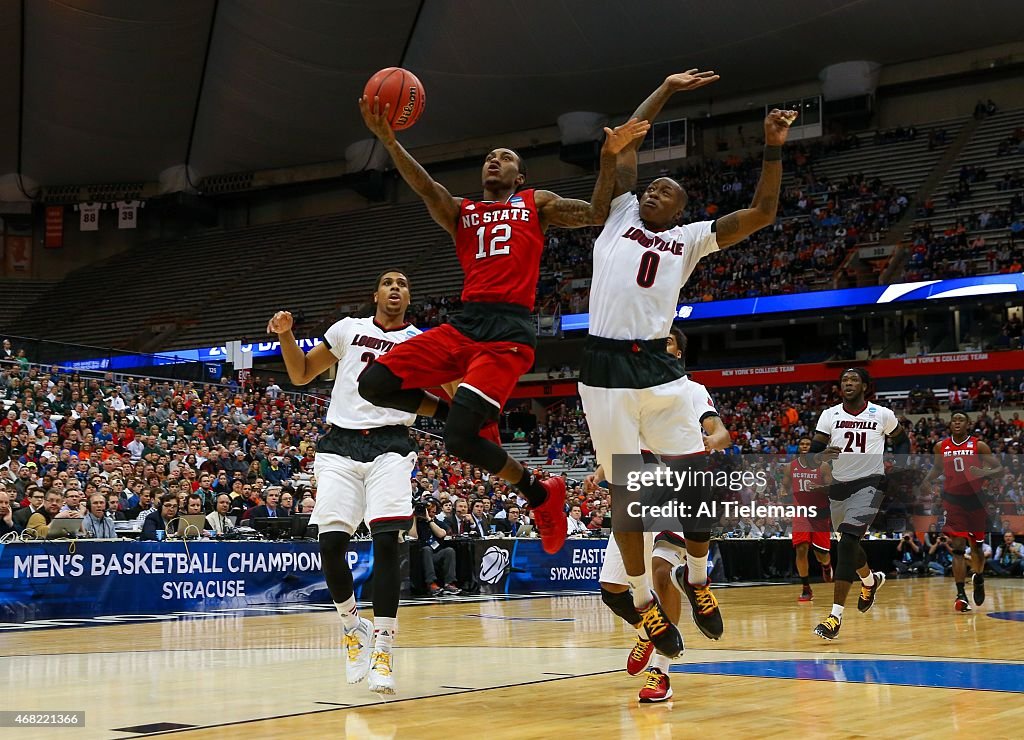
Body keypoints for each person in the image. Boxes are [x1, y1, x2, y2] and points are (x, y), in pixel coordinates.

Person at [356, 93, 650, 557]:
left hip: (507, 334)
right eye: (490, 157)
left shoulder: (538, 202)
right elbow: (426, 186)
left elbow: (595, 213)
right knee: (372, 383)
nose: (495, 160)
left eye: (506, 157)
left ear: (520, 175)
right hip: (463, 324)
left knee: (458, 442)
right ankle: (484, 439)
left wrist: (608, 160)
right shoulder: (462, 211)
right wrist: (390, 143)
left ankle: (538, 492)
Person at [577, 68, 793, 662]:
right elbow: (628, 139)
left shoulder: (694, 237)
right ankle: (646, 601)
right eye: (651, 188)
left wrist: (773, 148)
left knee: (701, 482)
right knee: (626, 492)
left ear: (683, 208)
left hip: (657, 367)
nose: (654, 193)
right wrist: (667, 88)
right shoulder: (619, 213)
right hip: (602, 367)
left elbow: (763, 213)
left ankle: (699, 579)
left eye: (667, 192)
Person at [267, 270, 422, 696]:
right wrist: (286, 335)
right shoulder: (347, 330)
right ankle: (354, 626)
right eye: (388, 282)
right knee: (331, 543)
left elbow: (450, 392)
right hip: (339, 444)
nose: (395, 287)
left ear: (409, 298)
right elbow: (300, 375)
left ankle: (385, 647)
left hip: (392, 443)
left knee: (387, 542)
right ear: (375, 294)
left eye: (403, 284)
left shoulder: (421, 341)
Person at [592, 328, 731, 703]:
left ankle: (661, 673)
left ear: (679, 354)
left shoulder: (691, 389)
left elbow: (718, 430)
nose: (661, 345)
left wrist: (713, 440)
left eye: (668, 341)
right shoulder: (633, 393)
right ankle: (647, 631)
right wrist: (603, 470)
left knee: (659, 571)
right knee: (612, 591)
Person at [809, 368, 910, 640]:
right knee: (849, 543)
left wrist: (899, 466)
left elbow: (902, 440)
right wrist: (820, 456)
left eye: (854, 380)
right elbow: (812, 453)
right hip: (840, 485)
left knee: (847, 543)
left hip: (871, 484)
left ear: (865, 386)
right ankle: (870, 580)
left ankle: (834, 617)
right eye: (844, 380)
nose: (849, 384)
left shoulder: (882, 414)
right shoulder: (829, 415)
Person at [920, 412, 1002, 611]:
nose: (956, 423)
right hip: (953, 501)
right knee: (957, 548)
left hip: (975, 501)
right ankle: (960, 595)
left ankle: (979, 577)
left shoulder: (979, 445)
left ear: (968, 424)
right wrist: (927, 480)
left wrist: (984, 473)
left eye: (961, 420)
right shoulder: (941, 446)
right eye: (954, 420)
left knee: (976, 548)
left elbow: (999, 469)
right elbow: (938, 468)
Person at [782, 436, 834, 602]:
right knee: (801, 548)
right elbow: (785, 485)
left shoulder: (824, 466)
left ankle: (826, 565)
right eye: (802, 444)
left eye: (807, 444)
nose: (804, 446)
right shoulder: (790, 467)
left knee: (821, 553)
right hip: (801, 512)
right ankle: (806, 588)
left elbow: (832, 489)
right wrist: (783, 492)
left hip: (820, 513)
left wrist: (820, 488)